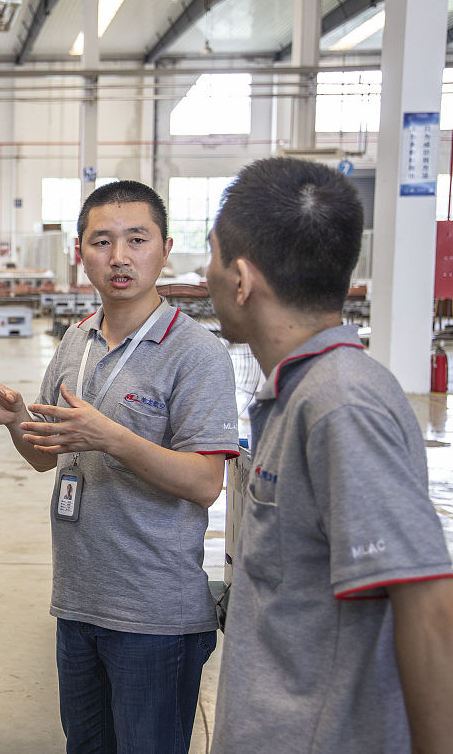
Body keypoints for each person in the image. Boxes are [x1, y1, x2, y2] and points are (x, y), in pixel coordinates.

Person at [0, 180, 239, 753]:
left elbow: (207, 483)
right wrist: (15, 421)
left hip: (155, 617)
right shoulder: (76, 340)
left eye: (137, 239)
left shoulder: (196, 354)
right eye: (102, 241)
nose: (120, 256)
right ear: (81, 253)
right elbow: (44, 458)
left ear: (164, 247)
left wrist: (113, 439)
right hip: (78, 602)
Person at [206, 157, 453, 753]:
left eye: (210, 255)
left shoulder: (341, 405)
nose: (203, 272)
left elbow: (429, 604)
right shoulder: (300, 393)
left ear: (241, 279)